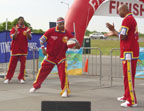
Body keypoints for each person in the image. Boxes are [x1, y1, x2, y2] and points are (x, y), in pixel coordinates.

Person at [29, 17, 80, 97]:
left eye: (63, 24)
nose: (61, 25)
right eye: (60, 24)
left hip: (61, 57)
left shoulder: (67, 33)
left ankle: (65, 90)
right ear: (57, 24)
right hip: (50, 56)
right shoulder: (51, 31)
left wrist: (76, 45)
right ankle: (36, 86)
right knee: (42, 71)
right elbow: (41, 40)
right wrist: (43, 49)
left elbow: (76, 44)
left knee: (63, 73)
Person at [105, 4, 139, 107]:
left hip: (129, 52)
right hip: (129, 52)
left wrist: (113, 31)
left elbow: (123, 36)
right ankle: (126, 95)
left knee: (129, 77)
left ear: (124, 10)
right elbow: (124, 35)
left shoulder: (127, 19)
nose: (118, 13)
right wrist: (115, 31)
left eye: (119, 11)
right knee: (126, 76)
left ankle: (131, 101)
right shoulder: (130, 19)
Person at [4, 16, 32, 84]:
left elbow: (30, 38)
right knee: (12, 65)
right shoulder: (14, 29)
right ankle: (8, 78)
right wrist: (16, 31)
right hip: (15, 50)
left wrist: (27, 33)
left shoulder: (27, 29)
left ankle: (21, 78)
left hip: (23, 50)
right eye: (20, 20)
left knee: (23, 65)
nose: (21, 21)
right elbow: (13, 38)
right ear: (18, 21)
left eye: (23, 20)